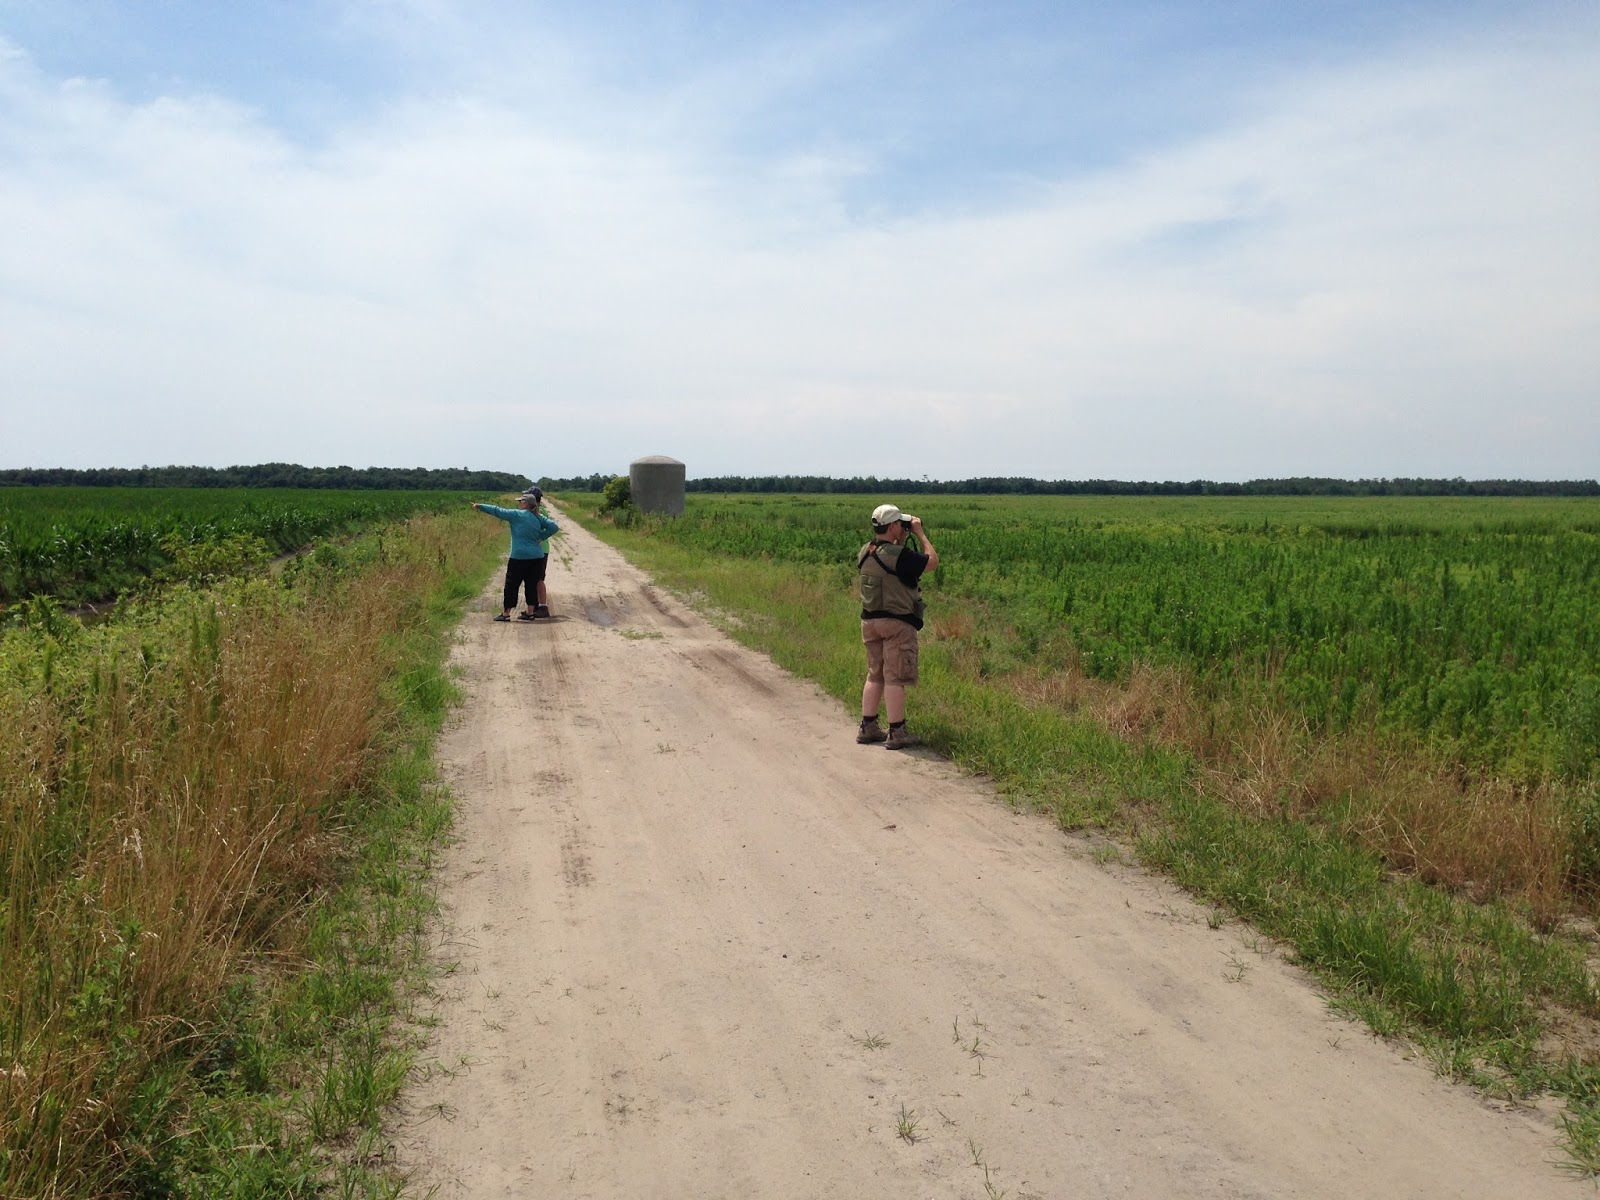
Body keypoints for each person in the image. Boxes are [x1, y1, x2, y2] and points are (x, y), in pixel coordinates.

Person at [856, 503, 938, 749]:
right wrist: (919, 533)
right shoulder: (899, 555)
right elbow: (932, 562)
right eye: (900, 525)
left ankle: (868, 726)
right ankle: (897, 732)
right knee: (895, 677)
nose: (903, 528)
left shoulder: (865, 551)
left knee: (875, 674)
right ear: (892, 526)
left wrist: (902, 537)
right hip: (896, 623)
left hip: (870, 621)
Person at [471, 487, 560, 622]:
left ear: (525, 504)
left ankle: (506, 613)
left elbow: (497, 511)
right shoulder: (538, 517)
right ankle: (530, 612)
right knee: (531, 584)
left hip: (519, 556)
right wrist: (541, 536)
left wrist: (480, 506)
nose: (519, 503)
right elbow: (554, 527)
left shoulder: (516, 515)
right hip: (536, 556)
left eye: (521, 502)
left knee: (511, 585)